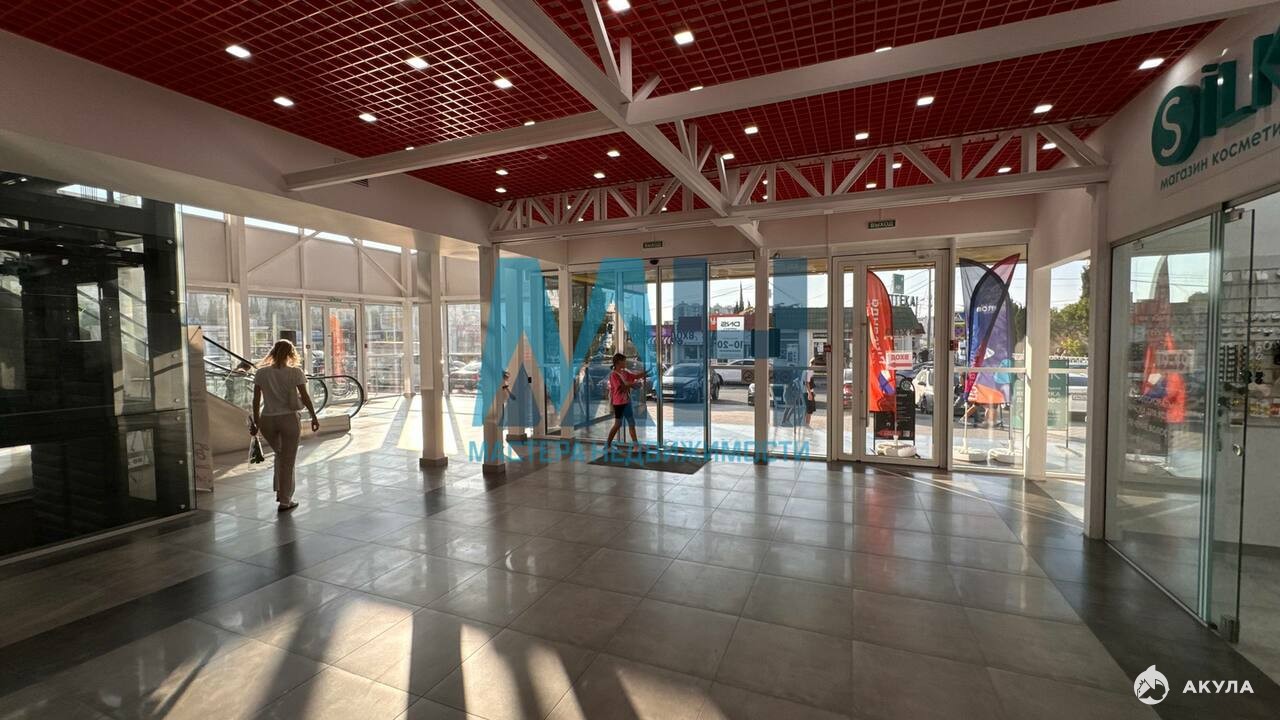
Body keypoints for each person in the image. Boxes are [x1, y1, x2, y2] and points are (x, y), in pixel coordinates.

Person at [249, 339, 319, 511]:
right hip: (288, 419)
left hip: (267, 419)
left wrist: (256, 422)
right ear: (291, 354)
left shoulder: (261, 373)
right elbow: (305, 397)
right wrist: (313, 416)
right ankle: (285, 501)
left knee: (280, 455)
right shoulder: (295, 372)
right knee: (288, 460)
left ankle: (281, 493)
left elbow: (256, 400)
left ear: (272, 352)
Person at [606, 352, 649, 453]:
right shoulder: (613, 375)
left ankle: (636, 446)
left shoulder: (624, 372)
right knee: (617, 424)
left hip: (627, 402)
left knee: (631, 423)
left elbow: (635, 376)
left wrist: (647, 372)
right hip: (619, 403)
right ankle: (607, 446)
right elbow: (621, 387)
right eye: (624, 361)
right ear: (618, 362)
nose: (625, 363)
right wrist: (634, 385)